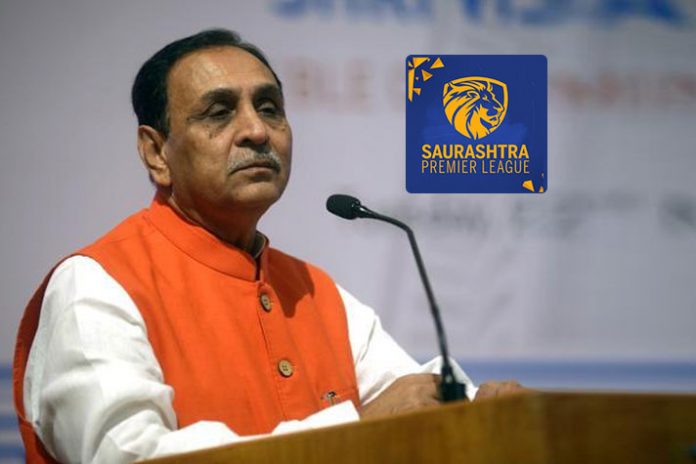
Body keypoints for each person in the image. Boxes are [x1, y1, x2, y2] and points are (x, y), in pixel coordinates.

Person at [13, 29, 522, 464]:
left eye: (269, 108)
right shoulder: (98, 286)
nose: (256, 131)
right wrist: (354, 428)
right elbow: (134, 456)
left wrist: (496, 411)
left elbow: (409, 398)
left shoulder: (315, 292)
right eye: (219, 113)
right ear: (156, 152)